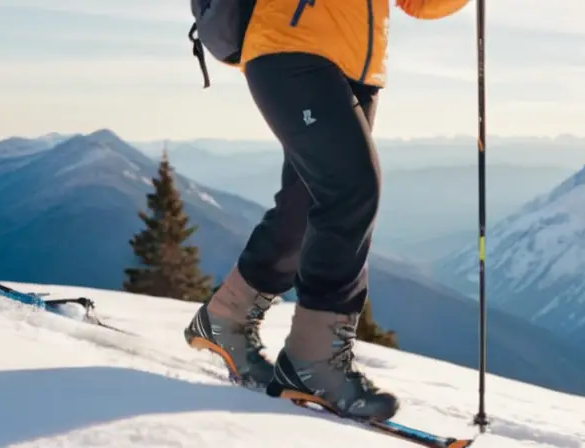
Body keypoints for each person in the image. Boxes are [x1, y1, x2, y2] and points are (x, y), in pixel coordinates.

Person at [185, 0, 469, 421]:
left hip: (357, 67)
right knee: (351, 190)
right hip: (291, 46)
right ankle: (313, 363)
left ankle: (227, 316)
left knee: (306, 203)